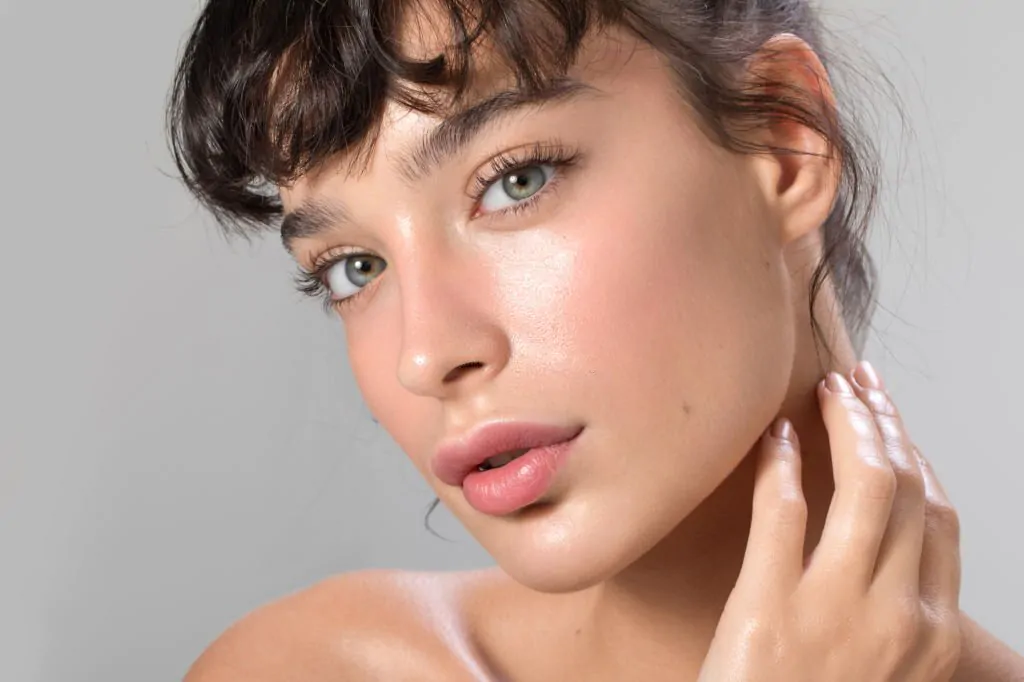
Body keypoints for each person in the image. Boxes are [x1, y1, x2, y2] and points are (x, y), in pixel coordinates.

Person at [166, 0, 1024, 679]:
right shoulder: (315, 670)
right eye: (353, 267)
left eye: (514, 181)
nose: (424, 357)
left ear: (785, 138)